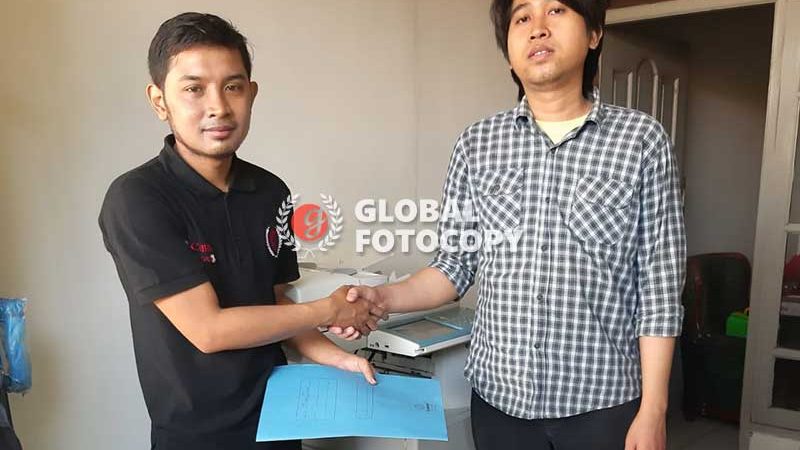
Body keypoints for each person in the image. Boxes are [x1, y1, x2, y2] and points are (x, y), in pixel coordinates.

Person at [336, 1, 685, 449]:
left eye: (555, 10)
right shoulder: (477, 144)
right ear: (508, 51)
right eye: (522, 17)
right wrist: (382, 298)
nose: (537, 28)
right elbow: (453, 267)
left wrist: (654, 409)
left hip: (604, 403)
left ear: (594, 33)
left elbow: (659, 288)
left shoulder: (642, 141)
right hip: (499, 404)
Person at [99, 12, 382, 450]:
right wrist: (328, 310)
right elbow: (208, 330)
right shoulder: (137, 198)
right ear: (159, 101)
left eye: (232, 86)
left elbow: (275, 303)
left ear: (251, 93)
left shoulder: (270, 192)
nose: (218, 107)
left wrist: (335, 358)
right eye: (194, 89)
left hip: (279, 421)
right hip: (197, 437)